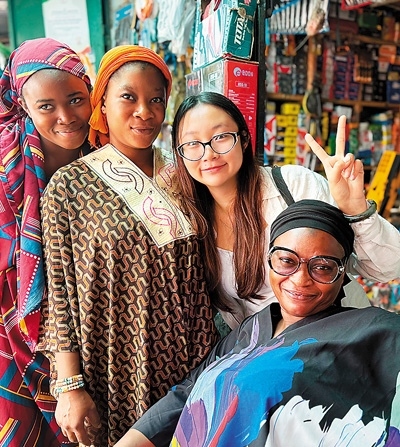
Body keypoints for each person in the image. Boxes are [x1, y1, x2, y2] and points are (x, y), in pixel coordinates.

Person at [36, 45, 217, 447]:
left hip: (191, 363)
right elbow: (59, 293)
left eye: (156, 100)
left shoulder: (186, 174)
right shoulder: (69, 186)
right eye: (128, 97)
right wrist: (70, 385)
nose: (144, 112)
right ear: (102, 102)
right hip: (110, 364)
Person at [115, 199, 400, 447]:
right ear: (269, 259)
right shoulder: (251, 329)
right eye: (287, 261)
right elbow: (187, 392)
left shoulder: (371, 329)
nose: (301, 279)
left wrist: (361, 212)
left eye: (323, 267)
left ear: (342, 271)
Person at [167, 91, 400, 328]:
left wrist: (356, 211)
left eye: (221, 137)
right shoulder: (189, 221)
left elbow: (388, 268)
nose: (209, 154)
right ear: (179, 153)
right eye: (192, 143)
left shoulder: (295, 187)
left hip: (341, 337)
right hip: (270, 347)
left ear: (244, 139)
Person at [0, 37, 92, 447]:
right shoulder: (7, 165)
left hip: (87, 326)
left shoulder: (108, 152)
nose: (66, 117)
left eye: (75, 100)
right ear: (24, 106)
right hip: (10, 326)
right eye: (46, 106)